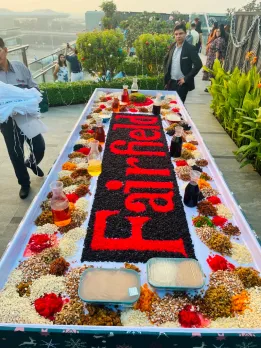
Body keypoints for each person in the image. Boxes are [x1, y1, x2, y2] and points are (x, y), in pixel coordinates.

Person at [0, 38, 45, 199]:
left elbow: (34, 86)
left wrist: (26, 97)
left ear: (5, 50)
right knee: (15, 152)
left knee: (39, 146)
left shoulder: (19, 67)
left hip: (26, 116)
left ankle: (32, 162)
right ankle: (24, 183)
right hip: (7, 121)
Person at [163, 24, 202, 103]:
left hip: (181, 84)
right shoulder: (172, 46)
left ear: (185, 33)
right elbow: (166, 62)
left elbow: (198, 65)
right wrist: (166, 78)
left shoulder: (190, 48)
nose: (178, 36)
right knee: (168, 105)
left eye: (181, 33)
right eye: (176, 34)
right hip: (171, 82)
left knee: (178, 106)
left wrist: (186, 78)